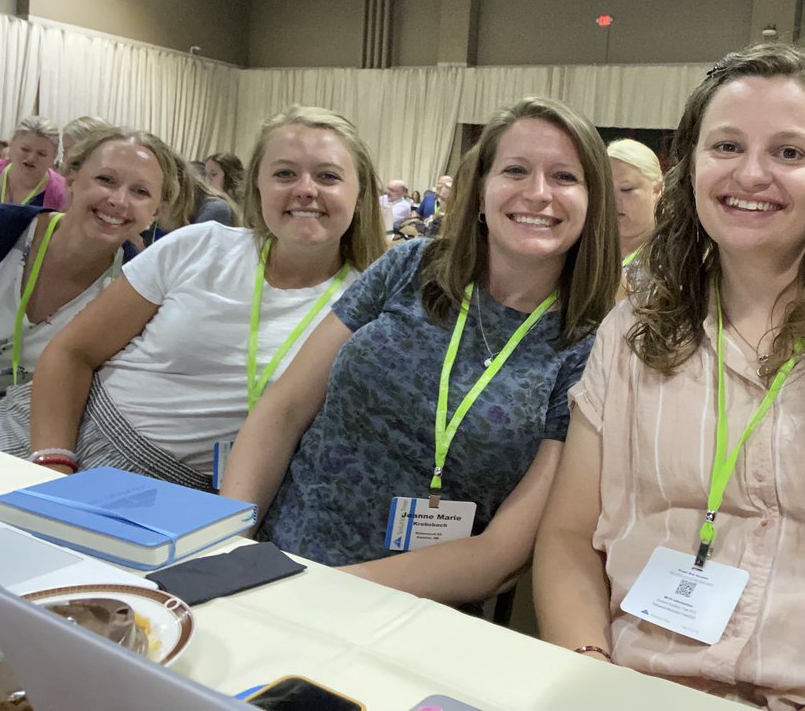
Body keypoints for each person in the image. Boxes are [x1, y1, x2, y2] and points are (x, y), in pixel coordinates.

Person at [534, 44, 805, 708]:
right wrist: (591, 676)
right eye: (726, 147)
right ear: (690, 165)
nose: (751, 174)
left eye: (789, 152)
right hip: (630, 689)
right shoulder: (633, 330)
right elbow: (568, 535)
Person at [220, 96, 620, 606]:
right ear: (480, 193)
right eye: (515, 170)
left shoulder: (589, 346)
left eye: (565, 177)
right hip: (275, 562)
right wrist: (230, 544)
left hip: (416, 609)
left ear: (593, 202)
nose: (538, 193)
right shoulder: (411, 266)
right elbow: (284, 410)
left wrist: (322, 592)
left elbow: (501, 556)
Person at [0, 107, 384, 489]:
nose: (305, 190)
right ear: (257, 187)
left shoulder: (370, 309)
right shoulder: (200, 245)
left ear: (361, 191)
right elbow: (73, 353)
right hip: (52, 438)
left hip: (174, 494)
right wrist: (53, 462)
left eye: (328, 177)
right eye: (284, 174)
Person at [0, 127, 176, 418]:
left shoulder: (136, 291)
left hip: (15, 443)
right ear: (71, 178)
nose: (118, 200)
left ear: (155, 211)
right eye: (106, 180)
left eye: (140, 192)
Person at [0, 118, 68, 209]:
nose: (31, 158)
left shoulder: (62, 192)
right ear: (11, 145)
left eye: (41, 154)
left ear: (53, 156)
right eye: (25, 149)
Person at [606, 138, 663, 296]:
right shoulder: (587, 246)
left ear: (656, 190)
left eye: (626, 189)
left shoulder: (676, 253)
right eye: (605, 191)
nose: (613, 201)